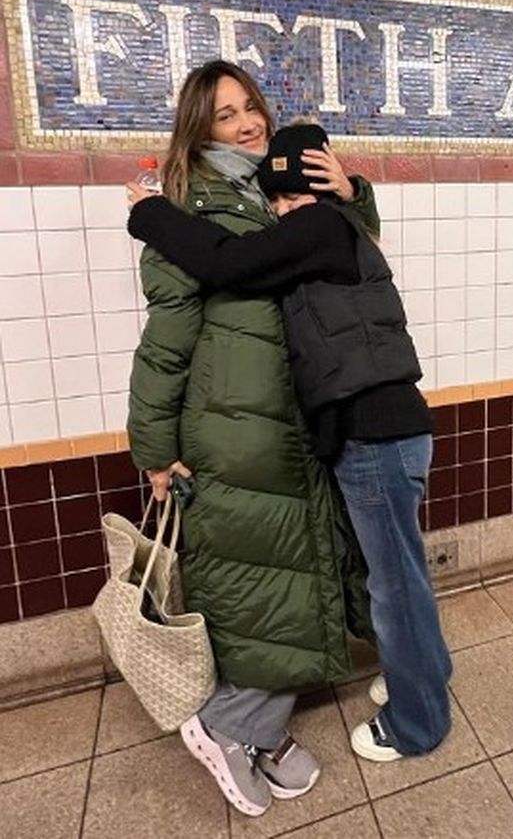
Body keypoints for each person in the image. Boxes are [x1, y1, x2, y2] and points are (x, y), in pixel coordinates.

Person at [127, 121, 453, 765]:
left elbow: (228, 261)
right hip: (381, 435)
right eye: (274, 201)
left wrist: (151, 214)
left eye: (291, 197)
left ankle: (417, 724)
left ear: (316, 195)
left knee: (394, 587)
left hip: (376, 437)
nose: (281, 213)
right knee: (399, 577)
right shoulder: (334, 230)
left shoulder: (323, 228)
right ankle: (425, 678)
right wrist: (356, 191)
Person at [126, 61, 378, 818]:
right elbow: (165, 342)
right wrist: (152, 445)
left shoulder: (271, 194)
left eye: (250, 108)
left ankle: (260, 730)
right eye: (224, 115)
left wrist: (351, 193)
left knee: (294, 581)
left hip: (292, 420)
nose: (246, 123)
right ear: (198, 132)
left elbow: (351, 257)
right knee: (267, 586)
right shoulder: (188, 211)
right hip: (235, 427)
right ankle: (230, 722)